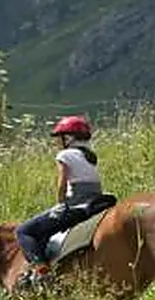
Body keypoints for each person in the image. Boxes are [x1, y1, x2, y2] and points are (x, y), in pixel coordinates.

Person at [15, 115, 113, 284]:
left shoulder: (65, 155)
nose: (57, 142)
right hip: (95, 202)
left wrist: (60, 204)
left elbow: (62, 181)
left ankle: (41, 271)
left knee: (24, 231)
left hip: (77, 206)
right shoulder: (89, 156)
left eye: (59, 138)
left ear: (69, 138)